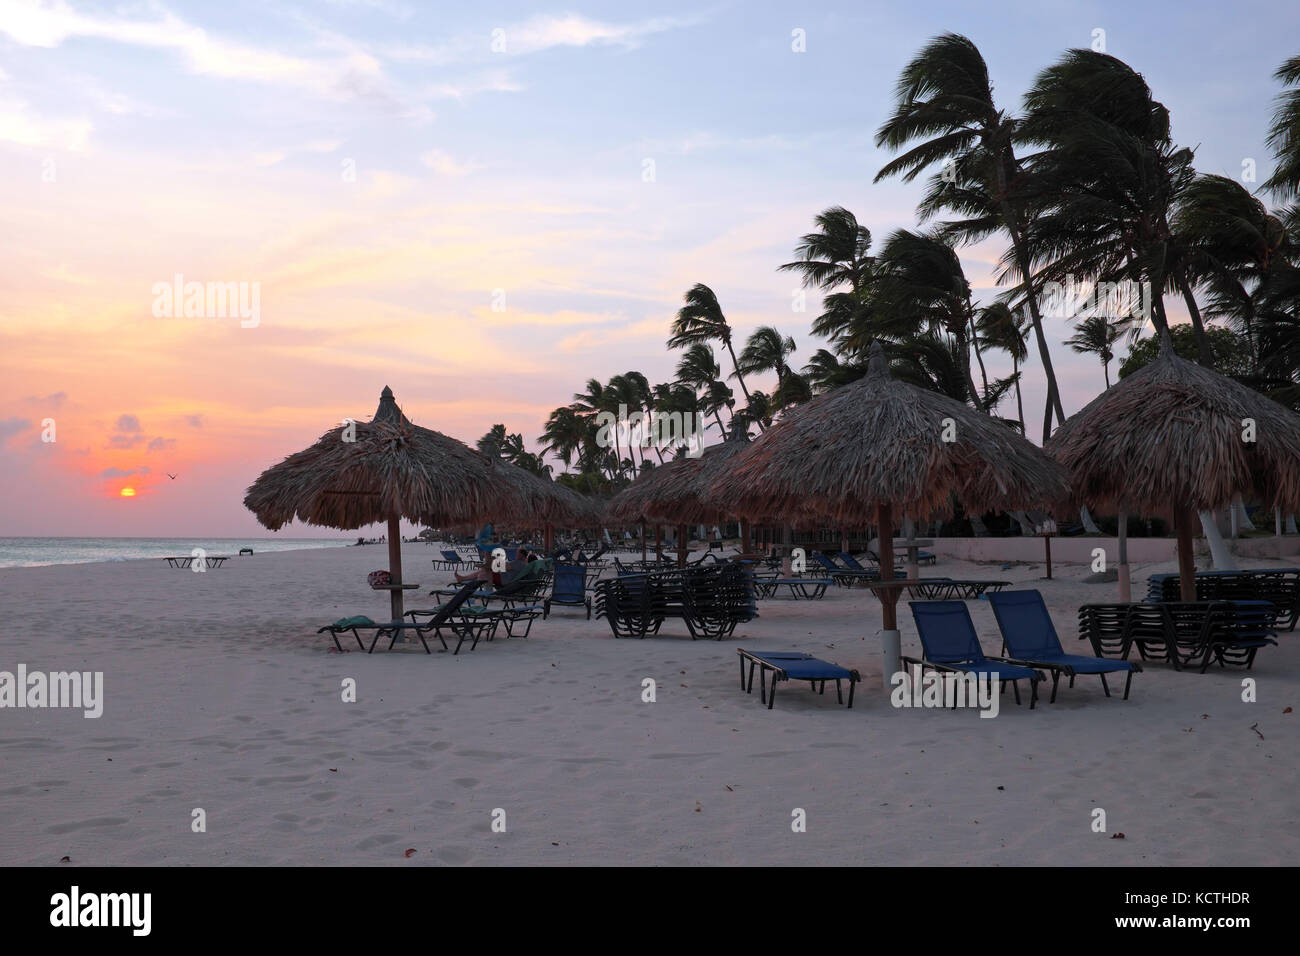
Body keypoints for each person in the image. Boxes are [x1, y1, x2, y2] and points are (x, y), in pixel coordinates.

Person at [455, 548, 534, 587]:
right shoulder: (522, 563)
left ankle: (470, 586)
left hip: (504, 580)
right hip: (504, 578)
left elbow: (506, 567)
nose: (516, 555)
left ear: (522, 555)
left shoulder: (519, 563)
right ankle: (464, 579)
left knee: (484, 572)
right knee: (485, 570)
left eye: (517, 553)